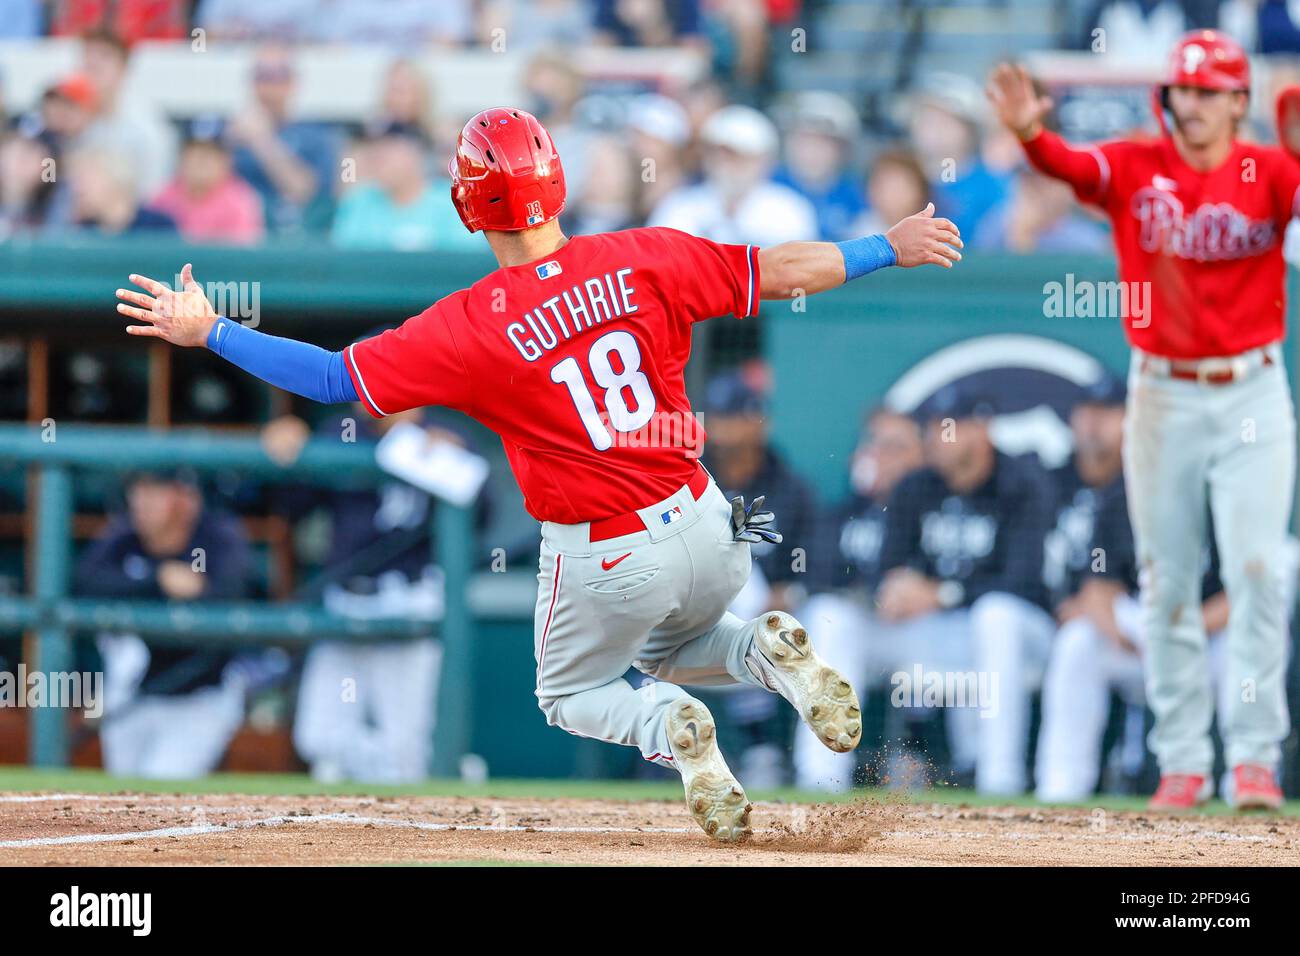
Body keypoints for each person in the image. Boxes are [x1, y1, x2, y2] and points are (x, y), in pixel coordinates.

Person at [114, 106, 963, 842]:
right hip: (708, 519)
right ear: (553, 183)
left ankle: (672, 726)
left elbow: (337, 379)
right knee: (677, 646)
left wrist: (213, 331)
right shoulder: (644, 252)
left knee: (571, 693)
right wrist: (885, 245)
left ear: (469, 204)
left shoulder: (468, 325)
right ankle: (763, 650)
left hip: (606, 551)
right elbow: (778, 272)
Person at [989, 29, 1299, 810]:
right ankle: (1185, 760)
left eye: (1206, 91)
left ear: (1237, 102)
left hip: (1252, 390)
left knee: (1260, 567)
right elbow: (1067, 166)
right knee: (1165, 578)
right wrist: (1030, 130)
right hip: (1162, 391)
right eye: (1181, 89)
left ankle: (1255, 757)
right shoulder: (1137, 163)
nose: (1188, 103)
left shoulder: (1269, 171)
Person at [875, 388, 1057, 795]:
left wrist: (942, 594)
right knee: (916, 624)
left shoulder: (1023, 484)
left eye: (948, 428)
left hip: (1029, 633)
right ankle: (914, 757)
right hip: (950, 631)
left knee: (995, 616)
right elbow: (884, 567)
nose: (935, 438)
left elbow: (1021, 579)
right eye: (932, 429)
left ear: (981, 430)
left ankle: (1000, 777)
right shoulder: (916, 487)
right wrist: (895, 589)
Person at [77, 470, 252, 779]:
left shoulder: (217, 538)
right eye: (139, 491)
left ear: (187, 499)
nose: (141, 503)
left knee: (162, 782)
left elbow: (234, 594)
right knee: (124, 794)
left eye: (155, 492)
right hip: (133, 693)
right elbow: (84, 583)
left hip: (199, 698)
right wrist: (157, 580)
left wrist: (199, 591)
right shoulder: (124, 537)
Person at [793, 407, 925, 791]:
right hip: (868, 632)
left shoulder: (934, 502)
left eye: (895, 447)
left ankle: (923, 756)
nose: (880, 455)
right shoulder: (846, 512)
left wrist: (934, 591)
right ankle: (822, 776)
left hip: (927, 630)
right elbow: (817, 576)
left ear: (921, 455)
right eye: (875, 445)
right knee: (832, 617)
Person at [648, 105, 818, 247]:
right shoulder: (679, 205)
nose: (727, 164)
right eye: (719, 153)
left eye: (739, 156)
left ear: (764, 161)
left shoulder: (789, 209)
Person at [228, 45, 340, 234]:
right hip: (244, 237)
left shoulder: (316, 136)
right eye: (262, 76)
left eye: (278, 76)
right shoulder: (232, 136)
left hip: (301, 238)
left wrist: (262, 140)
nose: (269, 87)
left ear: (293, 83)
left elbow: (305, 193)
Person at [331, 123, 478, 252]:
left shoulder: (454, 201)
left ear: (416, 154)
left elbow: (466, 261)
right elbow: (344, 257)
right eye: (375, 150)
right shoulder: (358, 201)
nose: (377, 158)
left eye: (388, 149)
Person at [151, 119, 264, 246]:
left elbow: (241, 254)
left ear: (226, 160)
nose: (201, 161)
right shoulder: (164, 197)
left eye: (210, 155)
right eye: (194, 153)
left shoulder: (240, 201)